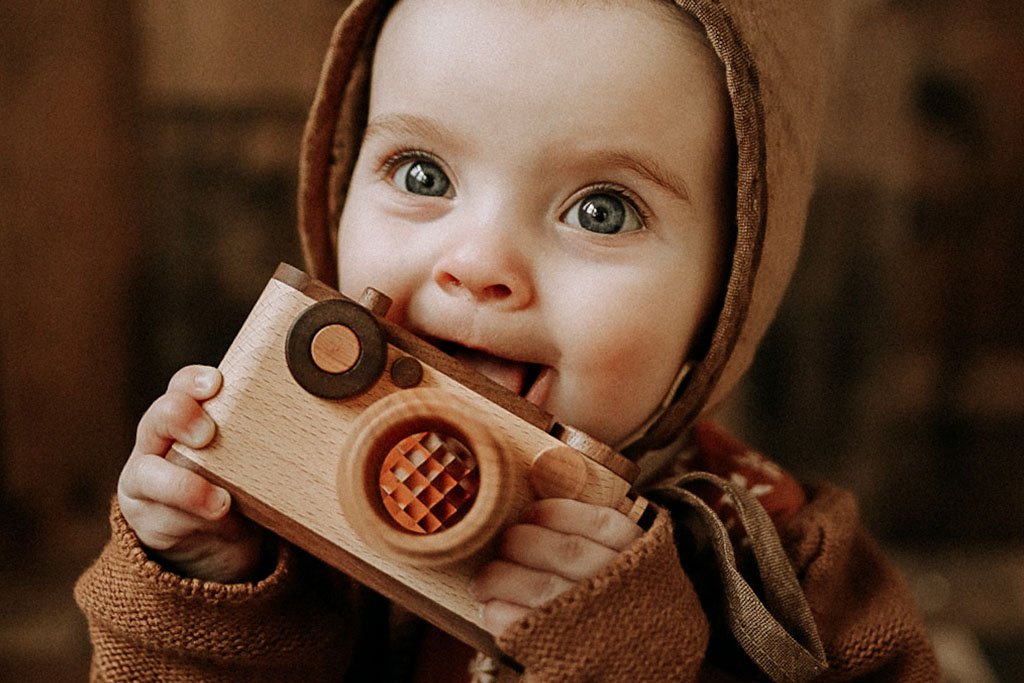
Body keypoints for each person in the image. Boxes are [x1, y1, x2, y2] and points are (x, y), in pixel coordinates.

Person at [75, 0, 940, 680]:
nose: (481, 263)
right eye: (423, 174)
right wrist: (209, 594)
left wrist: (633, 657)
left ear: (731, 291)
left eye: (602, 211)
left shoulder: (780, 564)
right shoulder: (269, 521)